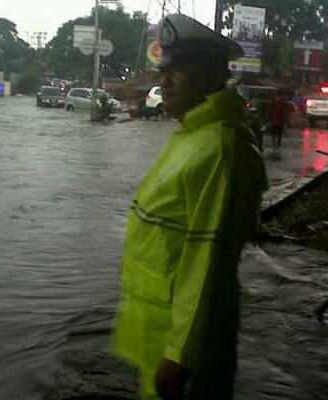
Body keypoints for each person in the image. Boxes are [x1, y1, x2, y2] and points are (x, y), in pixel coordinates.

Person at [112, 14, 268, 400]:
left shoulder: (219, 148)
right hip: (155, 333)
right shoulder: (191, 135)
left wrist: (180, 352)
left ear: (214, 76)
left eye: (179, 70)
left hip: (181, 349)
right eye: (164, 70)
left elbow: (207, 260)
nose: (164, 80)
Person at [266, 90, 290, 155]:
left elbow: (269, 111)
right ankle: (277, 147)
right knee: (279, 135)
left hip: (275, 121)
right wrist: (287, 121)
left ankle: (275, 147)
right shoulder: (284, 103)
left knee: (274, 135)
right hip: (279, 121)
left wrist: (267, 119)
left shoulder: (274, 102)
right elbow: (286, 113)